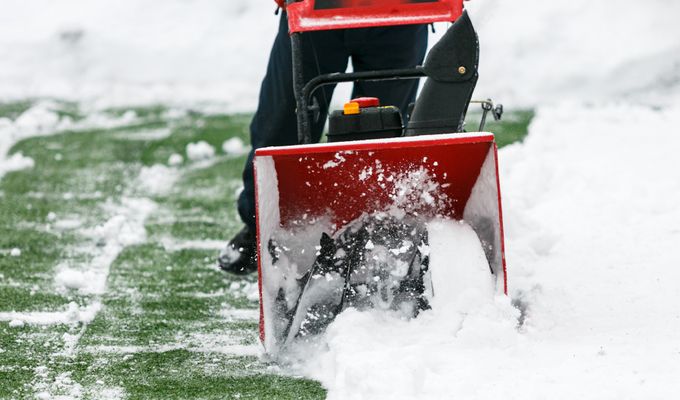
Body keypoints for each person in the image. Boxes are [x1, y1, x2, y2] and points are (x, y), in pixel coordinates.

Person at [218, 1, 429, 274]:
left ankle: (365, 232)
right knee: (285, 121)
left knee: (383, 126)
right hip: (313, 7)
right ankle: (262, 225)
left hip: (401, 11)